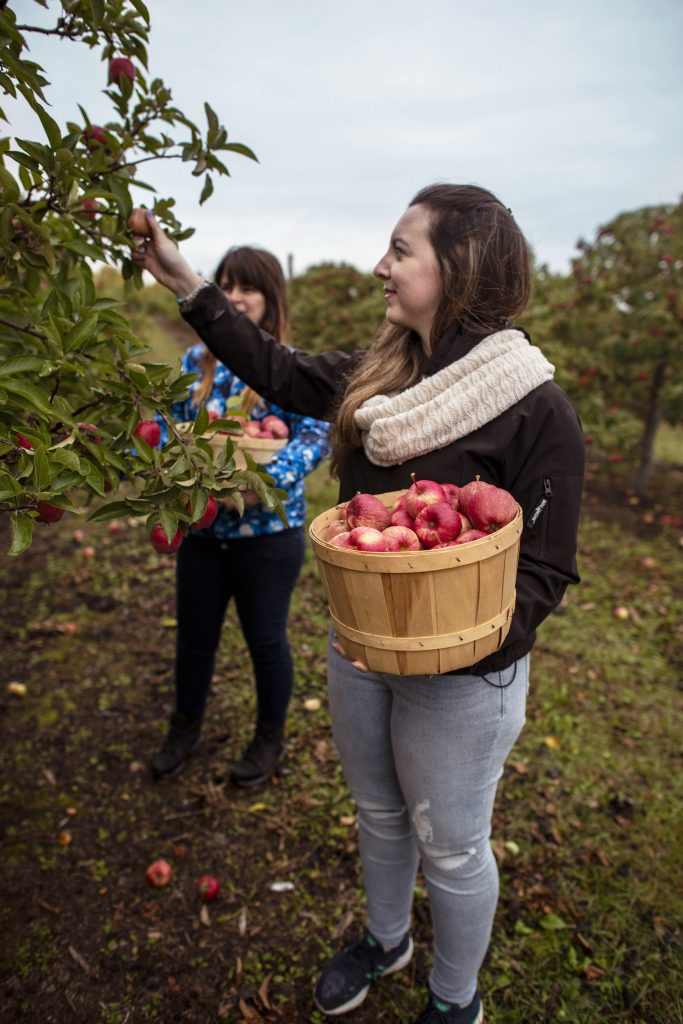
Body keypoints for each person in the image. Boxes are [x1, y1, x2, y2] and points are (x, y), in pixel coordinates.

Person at [133, 185, 585, 1024]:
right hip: (360, 651)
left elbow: (545, 573)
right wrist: (186, 285)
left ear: (458, 268)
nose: (381, 266)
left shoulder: (535, 408)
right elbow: (280, 368)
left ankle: (456, 998)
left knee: (450, 848)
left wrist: (450, 648)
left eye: (399, 250)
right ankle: (387, 940)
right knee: (377, 813)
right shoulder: (381, 378)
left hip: (462, 676)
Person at [151, 245, 331, 787]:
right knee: (194, 638)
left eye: (247, 286)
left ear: (271, 297)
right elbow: (167, 429)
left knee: (267, 640)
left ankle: (269, 737)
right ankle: (184, 729)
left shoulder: (289, 367)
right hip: (204, 530)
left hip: (270, 534)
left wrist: (260, 484)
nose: (234, 296)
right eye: (225, 285)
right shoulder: (194, 363)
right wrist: (165, 464)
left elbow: (315, 436)